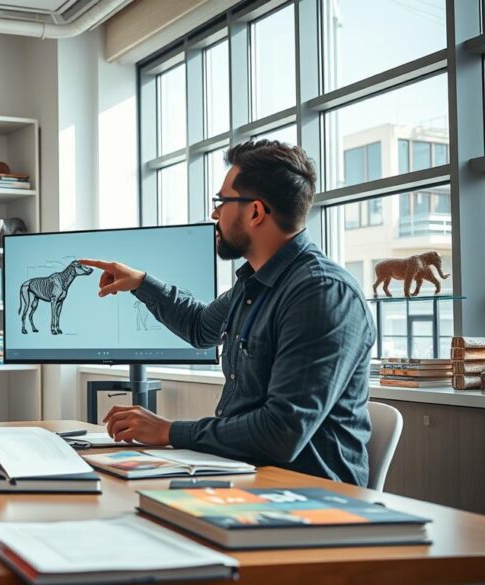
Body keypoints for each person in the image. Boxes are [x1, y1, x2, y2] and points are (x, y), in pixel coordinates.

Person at [80, 140, 375, 486]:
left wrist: (169, 431)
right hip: (244, 476)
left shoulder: (321, 294)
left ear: (255, 212)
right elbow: (199, 326)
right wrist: (141, 283)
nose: (215, 214)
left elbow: (281, 432)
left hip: (306, 495)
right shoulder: (254, 285)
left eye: (222, 202)